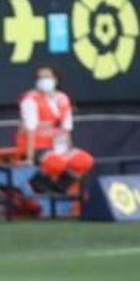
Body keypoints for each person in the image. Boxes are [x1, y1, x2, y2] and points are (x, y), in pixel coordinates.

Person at [18, 66, 95, 194]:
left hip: (59, 146)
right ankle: (32, 188)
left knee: (84, 161)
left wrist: (70, 150)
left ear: (55, 79)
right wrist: (29, 157)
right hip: (36, 147)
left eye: (47, 77)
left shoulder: (63, 98)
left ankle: (59, 189)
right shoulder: (30, 99)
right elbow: (30, 129)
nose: (43, 80)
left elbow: (66, 128)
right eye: (40, 77)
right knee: (56, 163)